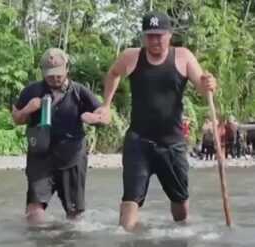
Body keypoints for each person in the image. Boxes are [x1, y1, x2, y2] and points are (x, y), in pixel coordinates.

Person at [94, 11, 217, 231]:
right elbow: (113, 74)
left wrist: (209, 84)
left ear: (170, 34)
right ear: (144, 36)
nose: (155, 40)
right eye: (150, 35)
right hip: (138, 142)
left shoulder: (183, 56)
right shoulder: (131, 57)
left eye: (159, 35)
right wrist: (106, 105)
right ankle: (127, 237)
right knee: (130, 199)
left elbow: (201, 85)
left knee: (180, 207)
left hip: (172, 144)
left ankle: (181, 236)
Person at [11, 48, 109, 225]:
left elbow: (106, 117)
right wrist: (28, 109)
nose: (55, 78)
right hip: (40, 159)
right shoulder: (31, 91)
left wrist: (94, 118)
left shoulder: (80, 92)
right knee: (34, 213)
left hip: (72, 158)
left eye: (58, 74)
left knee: (75, 216)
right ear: (42, 71)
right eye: (50, 75)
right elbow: (17, 118)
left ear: (67, 68)